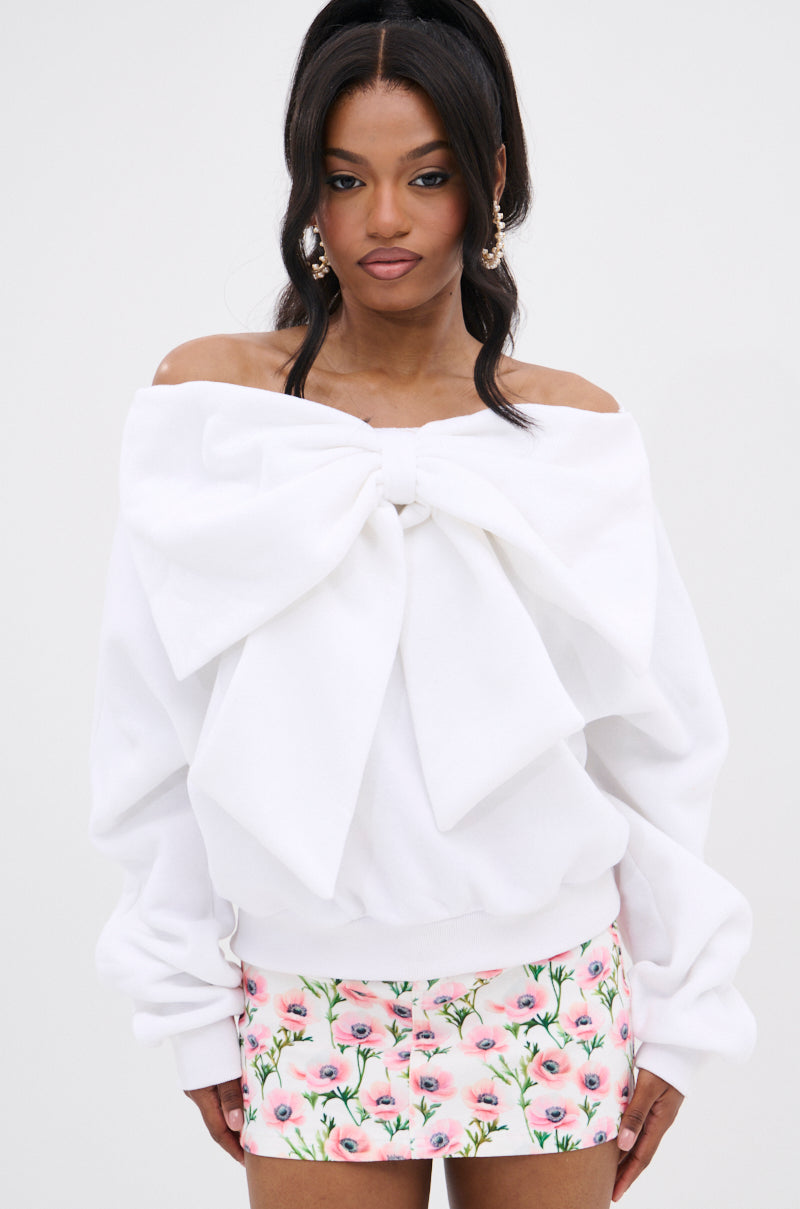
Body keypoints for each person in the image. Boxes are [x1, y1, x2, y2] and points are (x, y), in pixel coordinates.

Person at [87, 2, 756, 1206]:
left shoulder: (572, 434)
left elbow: (654, 742)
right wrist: (183, 1002)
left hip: (548, 989)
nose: (383, 218)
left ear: (488, 182)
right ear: (309, 191)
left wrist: (681, 1009)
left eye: (426, 176)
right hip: (305, 994)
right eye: (346, 178)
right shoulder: (215, 414)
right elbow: (151, 721)